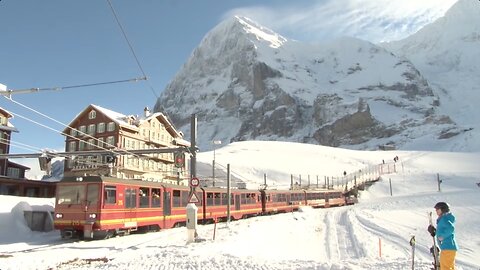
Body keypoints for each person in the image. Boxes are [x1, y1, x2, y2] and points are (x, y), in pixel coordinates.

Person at [428, 202, 457, 270]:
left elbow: (451, 228)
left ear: (443, 210)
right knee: (448, 267)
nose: (436, 211)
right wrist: (435, 231)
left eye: (438, 209)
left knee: (445, 267)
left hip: (448, 247)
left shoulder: (444, 219)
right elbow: (444, 229)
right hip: (448, 247)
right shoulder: (444, 219)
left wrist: (442, 236)